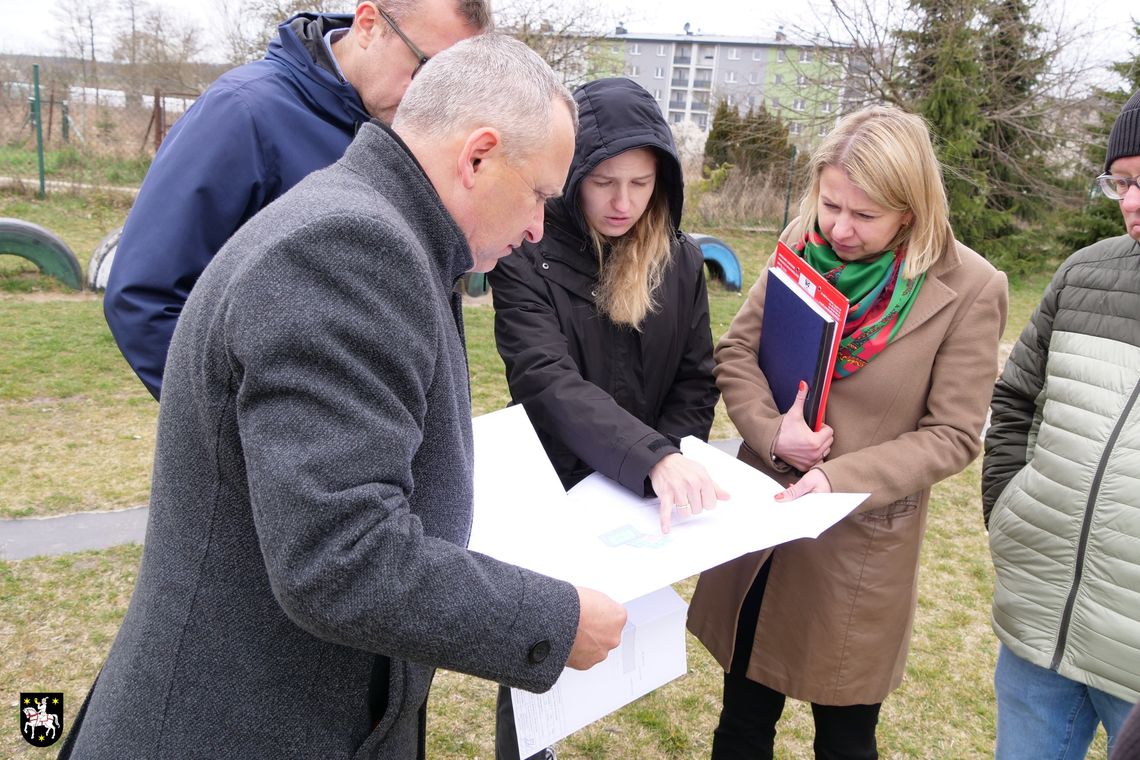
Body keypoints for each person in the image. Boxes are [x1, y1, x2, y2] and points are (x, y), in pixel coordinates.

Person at [58, 34, 627, 760]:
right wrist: (553, 620)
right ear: (477, 156)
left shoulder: (388, 230)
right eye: (542, 193)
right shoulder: (353, 248)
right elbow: (340, 555)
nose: (538, 227)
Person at [686, 106, 1009, 759]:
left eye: (863, 216)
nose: (838, 227)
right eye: (830, 204)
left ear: (910, 211)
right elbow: (737, 354)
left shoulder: (970, 288)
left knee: (844, 740)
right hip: (765, 529)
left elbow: (952, 434)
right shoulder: (802, 244)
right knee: (743, 722)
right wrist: (775, 434)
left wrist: (836, 475)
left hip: (856, 546)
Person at [487, 77, 725, 759]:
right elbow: (546, 380)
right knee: (536, 670)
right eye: (603, 182)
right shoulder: (525, 255)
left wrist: (668, 463)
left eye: (642, 184)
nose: (622, 203)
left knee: (619, 655)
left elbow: (694, 377)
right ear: (571, 176)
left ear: (665, 183)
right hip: (553, 488)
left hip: (639, 501)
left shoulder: (679, 260)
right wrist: (654, 458)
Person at [104, 0, 490, 399]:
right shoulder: (242, 113)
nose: (428, 98)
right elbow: (145, 298)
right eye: (423, 67)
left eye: (447, 83)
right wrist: (246, 427)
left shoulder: (410, 131)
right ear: (369, 24)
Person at [981, 88, 1140, 760]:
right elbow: (1014, 400)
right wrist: (1008, 508)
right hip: (1039, 628)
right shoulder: (1082, 275)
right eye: (1123, 181)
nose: (1132, 202)